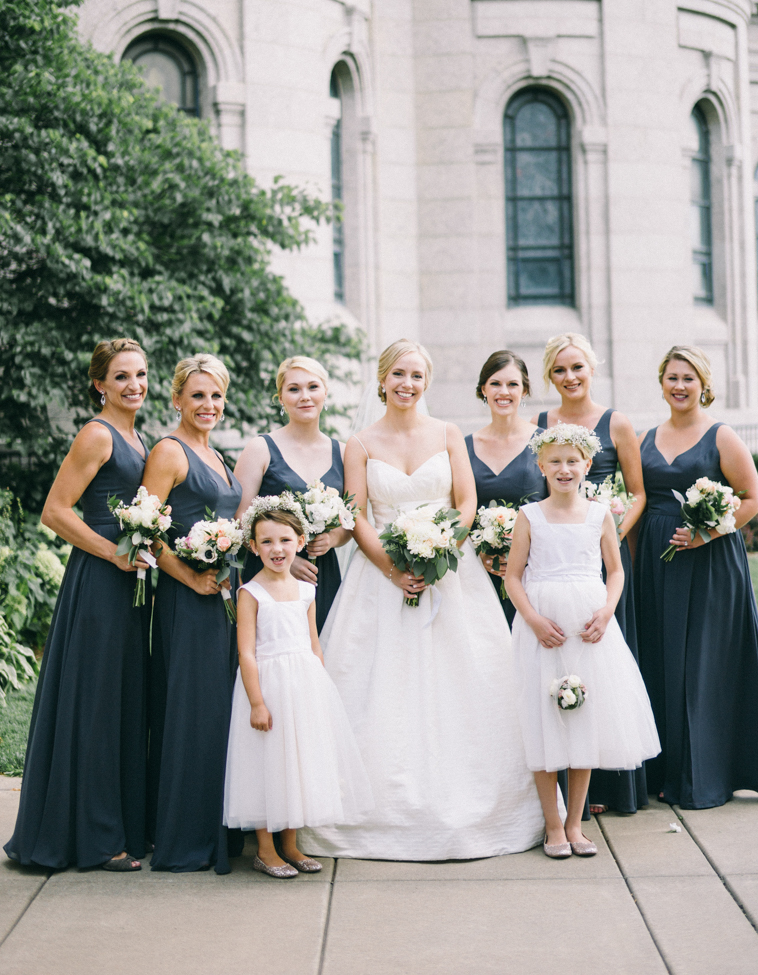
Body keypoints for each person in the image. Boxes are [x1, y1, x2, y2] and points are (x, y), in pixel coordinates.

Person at [300, 339, 547, 861]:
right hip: (379, 581)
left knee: (469, 684)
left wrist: (440, 551)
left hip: (450, 576)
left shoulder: (447, 434)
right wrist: (393, 569)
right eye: (399, 375)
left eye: (416, 376)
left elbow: (465, 502)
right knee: (379, 689)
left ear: (426, 382)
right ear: (383, 380)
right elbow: (357, 514)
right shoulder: (360, 443)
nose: (407, 384)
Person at [4, 339, 151, 871]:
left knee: (118, 703)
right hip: (99, 582)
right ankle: (95, 837)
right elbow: (55, 510)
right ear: (100, 385)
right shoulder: (97, 434)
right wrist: (114, 553)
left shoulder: (139, 436)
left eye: (140, 374)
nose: (133, 384)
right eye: (121, 377)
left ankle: (119, 822)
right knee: (94, 705)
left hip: (132, 585)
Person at [635, 345, 758, 810]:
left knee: (703, 666)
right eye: (672, 377)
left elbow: (750, 498)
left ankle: (705, 775)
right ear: (661, 382)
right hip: (656, 562)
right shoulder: (646, 437)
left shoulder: (721, 435)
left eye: (688, 378)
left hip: (709, 564)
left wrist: (706, 533)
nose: (679, 386)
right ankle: (663, 771)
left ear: (704, 384)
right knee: (661, 661)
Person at [505, 422, 659, 859]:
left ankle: (575, 823)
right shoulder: (529, 516)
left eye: (573, 461)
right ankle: (552, 825)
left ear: (588, 464)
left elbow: (616, 571)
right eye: (555, 461)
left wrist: (608, 611)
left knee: (583, 718)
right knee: (543, 719)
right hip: (544, 629)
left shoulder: (600, 515)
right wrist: (533, 619)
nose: (564, 468)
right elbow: (513, 577)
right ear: (540, 465)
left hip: (589, 628)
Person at [223, 506, 372, 878]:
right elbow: (245, 652)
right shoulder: (250, 592)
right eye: (267, 541)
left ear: (301, 543)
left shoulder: (306, 590)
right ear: (254, 547)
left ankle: (290, 844)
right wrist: (257, 702)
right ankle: (266, 849)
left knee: (296, 763)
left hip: (302, 685)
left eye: (286, 540)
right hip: (268, 687)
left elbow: (314, 644)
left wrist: (319, 688)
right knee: (266, 764)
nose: (277, 549)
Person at [535, 332, 647, 816]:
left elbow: (639, 491)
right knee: (549, 671)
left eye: (577, 367)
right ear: (549, 376)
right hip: (552, 557)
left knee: (600, 672)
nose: (570, 377)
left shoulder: (615, 422)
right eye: (560, 370)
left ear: (592, 368)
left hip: (599, 550)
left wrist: (609, 528)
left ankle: (603, 790)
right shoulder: (539, 424)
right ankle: (552, 792)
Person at [144, 354, 243, 873]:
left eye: (217, 396)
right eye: (198, 395)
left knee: (220, 713)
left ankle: (219, 828)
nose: (208, 405)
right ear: (177, 398)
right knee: (193, 713)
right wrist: (190, 578)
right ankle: (184, 836)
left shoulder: (218, 456)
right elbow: (144, 530)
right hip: (189, 599)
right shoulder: (169, 451)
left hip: (224, 598)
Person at [235, 356, 351, 633]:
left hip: (321, 574)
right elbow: (240, 517)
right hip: (269, 573)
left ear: (325, 392)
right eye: (294, 389)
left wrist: (332, 538)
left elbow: (351, 521)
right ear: (281, 398)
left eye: (313, 387)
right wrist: (285, 556)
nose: (305, 397)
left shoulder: (344, 453)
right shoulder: (260, 448)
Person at [465, 350, 545, 626]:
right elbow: (456, 510)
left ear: (524, 391)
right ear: (483, 389)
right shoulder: (463, 447)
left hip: (534, 573)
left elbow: (559, 508)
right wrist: (482, 551)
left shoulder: (545, 444)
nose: (504, 392)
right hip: (477, 573)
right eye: (496, 383)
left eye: (513, 384)